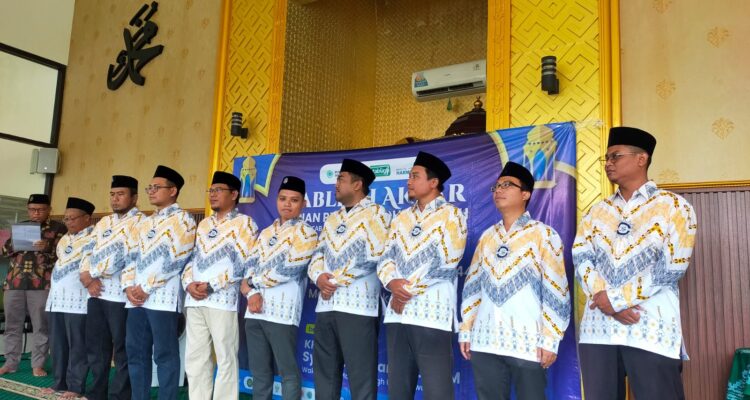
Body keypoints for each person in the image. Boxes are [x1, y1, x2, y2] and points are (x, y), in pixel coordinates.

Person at [574, 127, 697, 400]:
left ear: (641, 159)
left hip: (649, 326)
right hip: (599, 330)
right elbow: (581, 257)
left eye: (615, 156)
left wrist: (616, 301)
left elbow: (672, 267)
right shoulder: (597, 211)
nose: (608, 163)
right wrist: (605, 300)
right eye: (606, 158)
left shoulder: (674, 206)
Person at [459, 162, 570, 400]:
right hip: (486, 340)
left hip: (528, 341)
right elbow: (472, 287)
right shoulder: (488, 236)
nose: (499, 190)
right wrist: (466, 329)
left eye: (507, 185)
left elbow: (556, 289)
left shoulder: (543, 234)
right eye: (497, 186)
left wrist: (551, 338)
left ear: (525, 194)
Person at [377, 151, 467, 400]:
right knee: (398, 390)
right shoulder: (401, 218)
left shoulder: (452, 215)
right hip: (397, 315)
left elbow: (447, 262)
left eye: (415, 176)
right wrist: (392, 282)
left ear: (433, 182)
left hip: (432, 316)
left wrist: (403, 291)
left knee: (437, 391)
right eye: (409, 176)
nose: (409, 181)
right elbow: (385, 257)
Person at [182, 171, 258, 400]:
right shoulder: (204, 224)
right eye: (211, 190)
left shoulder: (245, 224)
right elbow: (192, 259)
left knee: (226, 359)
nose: (212, 195)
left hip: (222, 301)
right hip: (195, 300)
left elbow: (242, 264)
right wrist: (188, 284)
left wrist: (211, 286)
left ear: (234, 194)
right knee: (195, 358)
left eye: (218, 190)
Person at [123, 165, 196, 400]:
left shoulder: (183, 220)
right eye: (149, 188)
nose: (151, 191)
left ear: (173, 191)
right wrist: (128, 286)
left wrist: (145, 288)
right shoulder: (144, 222)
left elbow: (177, 259)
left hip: (162, 298)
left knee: (165, 354)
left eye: (157, 187)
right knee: (136, 352)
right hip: (136, 299)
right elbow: (130, 256)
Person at [240, 176, 317, 400]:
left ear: (303, 204)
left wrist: (252, 283)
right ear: (276, 200)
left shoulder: (307, 233)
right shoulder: (265, 233)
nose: (287, 204)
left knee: (287, 373)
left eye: (294, 200)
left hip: (282, 314)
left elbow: (289, 269)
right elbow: (249, 265)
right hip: (254, 311)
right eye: (283, 199)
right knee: (259, 373)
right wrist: (252, 293)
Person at [79, 175, 142, 400]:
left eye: (121, 194)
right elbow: (88, 250)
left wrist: (96, 273)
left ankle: (119, 396)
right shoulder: (104, 222)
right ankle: (96, 393)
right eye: (112, 194)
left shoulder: (141, 222)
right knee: (96, 348)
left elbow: (129, 255)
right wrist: (87, 277)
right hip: (96, 294)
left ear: (134, 198)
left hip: (121, 296)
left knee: (122, 349)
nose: (115, 199)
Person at [1, 194, 66, 377]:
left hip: (41, 283)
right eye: (32, 210)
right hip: (14, 282)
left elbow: (65, 256)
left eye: (40, 210)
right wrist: (16, 244)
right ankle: (10, 363)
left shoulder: (58, 228)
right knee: (12, 325)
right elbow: (5, 251)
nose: (36, 213)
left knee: (41, 326)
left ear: (49, 210)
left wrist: (47, 248)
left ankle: (38, 364)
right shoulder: (20, 227)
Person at [44, 197, 96, 398]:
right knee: (58, 345)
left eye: (73, 218)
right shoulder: (65, 238)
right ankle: (59, 383)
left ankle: (75, 386)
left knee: (77, 346)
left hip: (78, 301)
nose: (68, 222)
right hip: (57, 300)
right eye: (66, 218)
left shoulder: (94, 238)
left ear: (87, 218)